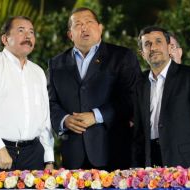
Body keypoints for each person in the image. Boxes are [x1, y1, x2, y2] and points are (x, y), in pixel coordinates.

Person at [48, 7, 141, 170]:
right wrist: (64, 120)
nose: (84, 27)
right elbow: (50, 102)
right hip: (73, 156)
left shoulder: (122, 57)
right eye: (78, 24)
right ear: (70, 34)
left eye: (89, 22)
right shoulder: (56, 64)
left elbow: (132, 97)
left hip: (114, 151)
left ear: (100, 28)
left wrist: (96, 115)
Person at [0, 16, 54, 171]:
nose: (28, 36)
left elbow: (44, 118)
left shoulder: (38, 72)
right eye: (21, 30)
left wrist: (49, 157)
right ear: (5, 39)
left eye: (31, 32)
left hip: (33, 155)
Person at [132, 26, 190, 168]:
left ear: (170, 48)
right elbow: (139, 131)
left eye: (158, 41)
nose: (153, 48)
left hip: (186, 162)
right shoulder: (140, 82)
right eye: (147, 44)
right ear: (142, 54)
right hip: (150, 163)